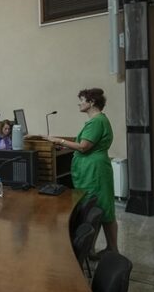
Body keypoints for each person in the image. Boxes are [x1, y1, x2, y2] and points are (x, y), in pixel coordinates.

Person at [45, 88, 118, 256]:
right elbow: (85, 143)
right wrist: (66, 145)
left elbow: (84, 147)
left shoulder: (96, 121)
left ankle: (112, 249)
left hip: (95, 171)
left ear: (91, 102)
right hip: (95, 168)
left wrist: (58, 140)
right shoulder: (99, 120)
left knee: (100, 208)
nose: (79, 103)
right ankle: (91, 248)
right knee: (98, 209)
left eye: (82, 100)